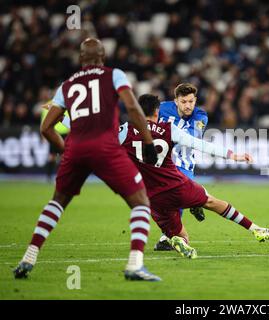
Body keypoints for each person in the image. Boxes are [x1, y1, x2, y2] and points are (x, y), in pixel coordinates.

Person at [13, 38, 161, 282]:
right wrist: (147, 142)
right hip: (106, 148)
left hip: (76, 148)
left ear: (81, 59)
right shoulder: (114, 75)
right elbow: (133, 109)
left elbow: (47, 127)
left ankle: (28, 257)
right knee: (141, 202)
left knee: (57, 202)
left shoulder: (67, 85)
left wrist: (65, 151)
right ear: (103, 56)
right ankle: (135, 265)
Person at [121, 94, 269, 258]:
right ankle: (255, 229)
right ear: (157, 111)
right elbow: (201, 145)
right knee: (212, 202)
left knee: (182, 237)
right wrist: (233, 155)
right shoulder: (169, 129)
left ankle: (176, 240)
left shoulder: (125, 130)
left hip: (150, 196)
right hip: (175, 185)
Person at [155, 83, 208, 251]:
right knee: (160, 202)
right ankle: (195, 200)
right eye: (184, 101)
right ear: (175, 101)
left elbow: (194, 138)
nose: (188, 105)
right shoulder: (162, 108)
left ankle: (167, 237)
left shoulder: (200, 116)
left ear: (195, 100)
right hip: (160, 162)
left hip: (183, 163)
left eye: (191, 101)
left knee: (176, 199)